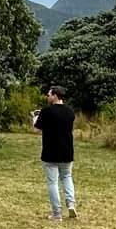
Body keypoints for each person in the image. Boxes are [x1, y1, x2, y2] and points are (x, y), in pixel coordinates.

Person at [31, 85, 77, 220]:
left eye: (49, 94)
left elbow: (37, 129)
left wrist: (35, 117)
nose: (48, 97)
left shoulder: (46, 112)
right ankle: (70, 203)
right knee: (67, 177)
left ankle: (57, 213)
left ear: (55, 95)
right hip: (67, 151)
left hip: (50, 152)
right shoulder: (70, 112)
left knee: (53, 182)